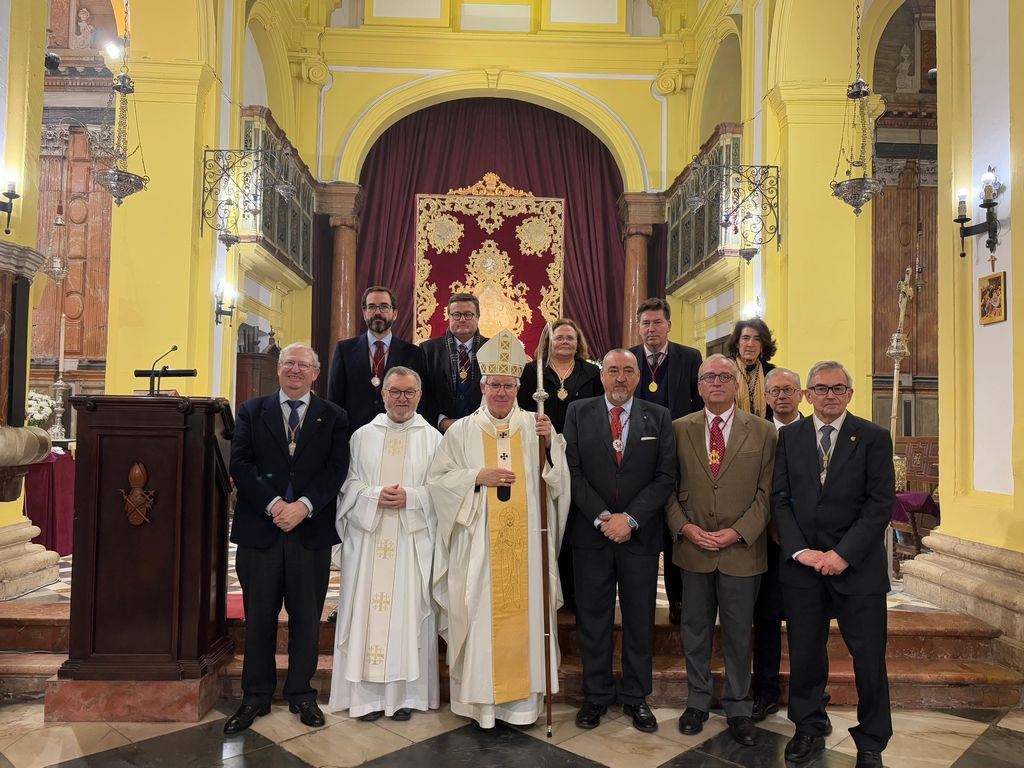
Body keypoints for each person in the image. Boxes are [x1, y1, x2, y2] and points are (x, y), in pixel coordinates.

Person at [426, 329, 569, 729]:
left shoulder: (537, 427)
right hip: (478, 551)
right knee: (479, 618)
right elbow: (438, 482)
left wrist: (551, 451)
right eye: (494, 385)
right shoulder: (461, 432)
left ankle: (522, 706)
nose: (501, 392)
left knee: (525, 620)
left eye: (508, 385)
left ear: (519, 386)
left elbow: (558, 486)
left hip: (526, 551)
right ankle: (481, 706)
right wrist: (476, 476)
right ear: (482, 386)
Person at [774, 361, 894, 768]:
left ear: (850, 394)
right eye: (821, 389)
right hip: (803, 566)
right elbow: (780, 499)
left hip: (858, 568)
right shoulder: (790, 437)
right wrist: (798, 550)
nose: (829, 395)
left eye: (838, 388)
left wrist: (844, 554)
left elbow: (880, 505)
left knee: (869, 657)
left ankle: (872, 740)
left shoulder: (874, 437)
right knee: (806, 654)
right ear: (807, 395)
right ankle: (807, 728)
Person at [225, 343, 349, 734]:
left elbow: (336, 469)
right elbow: (241, 464)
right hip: (261, 529)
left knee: (306, 618)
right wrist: (276, 503)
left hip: (309, 531)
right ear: (278, 370)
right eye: (289, 364)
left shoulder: (333, 416)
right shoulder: (250, 410)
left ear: (315, 373)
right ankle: (255, 696)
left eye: (304, 365)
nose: (296, 370)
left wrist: (304, 506)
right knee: (259, 616)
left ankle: (301, 693)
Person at [563, 349, 677, 733]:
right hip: (591, 535)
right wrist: (602, 518)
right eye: (613, 370)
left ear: (638, 377)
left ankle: (635, 696)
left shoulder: (658, 417)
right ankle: (595, 696)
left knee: (640, 619)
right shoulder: (578, 413)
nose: (620, 377)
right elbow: (572, 471)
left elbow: (665, 476)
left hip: (638, 535)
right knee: (592, 619)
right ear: (602, 375)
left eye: (628, 370)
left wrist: (629, 519)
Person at [665, 354, 775, 746]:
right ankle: (696, 702)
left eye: (724, 376)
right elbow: (667, 487)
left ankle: (739, 707)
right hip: (693, 549)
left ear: (736, 385)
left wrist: (737, 532)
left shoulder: (763, 432)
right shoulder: (677, 429)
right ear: (698, 385)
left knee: (739, 634)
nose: (716, 382)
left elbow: (766, 495)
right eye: (709, 377)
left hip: (742, 551)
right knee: (694, 630)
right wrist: (685, 527)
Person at [328, 367, 442, 722]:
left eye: (409, 392)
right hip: (369, 538)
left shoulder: (433, 439)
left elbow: (443, 490)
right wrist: (375, 495)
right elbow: (346, 484)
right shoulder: (363, 436)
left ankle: (404, 696)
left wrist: (412, 496)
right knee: (366, 615)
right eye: (395, 391)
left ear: (420, 395)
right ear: (383, 394)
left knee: (408, 617)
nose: (402, 399)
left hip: (412, 542)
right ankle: (365, 698)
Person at [518, 318, 602, 612]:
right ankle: (546, 588)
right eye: (559, 338)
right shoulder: (533, 372)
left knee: (575, 518)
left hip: (582, 452)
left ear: (578, 342)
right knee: (548, 516)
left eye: (570, 338)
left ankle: (575, 592)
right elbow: (522, 410)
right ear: (548, 342)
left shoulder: (592, 372)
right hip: (542, 451)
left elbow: (600, 411)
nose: (565, 342)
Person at [629, 298, 703, 626]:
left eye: (657, 323)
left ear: (669, 325)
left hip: (679, 452)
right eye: (645, 323)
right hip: (636, 454)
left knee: (676, 526)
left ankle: (679, 601)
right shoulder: (627, 358)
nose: (651, 329)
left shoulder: (689, 357)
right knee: (643, 522)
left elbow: (698, 403)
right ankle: (638, 600)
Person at [751, 367, 809, 721]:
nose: (782, 396)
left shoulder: (815, 432)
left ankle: (811, 688)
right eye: (775, 391)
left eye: (789, 390)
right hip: (766, 542)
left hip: (808, 543)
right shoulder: (756, 433)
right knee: (767, 618)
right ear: (766, 397)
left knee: (809, 620)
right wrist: (770, 523)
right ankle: (766, 690)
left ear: (801, 395)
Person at [327, 286, 428, 436]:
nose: (378, 312)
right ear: (364, 312)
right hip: (353, 436)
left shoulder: (413, 353)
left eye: (384, 307)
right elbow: (334, 400)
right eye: (372, 307)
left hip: (400, 434)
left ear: (395, 313)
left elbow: (420, 401)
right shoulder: (344, 350)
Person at [421, 293, 488, 433]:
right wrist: (441, 421)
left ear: (478, 317)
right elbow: (422, 394)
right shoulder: (427, 351)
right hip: (439, 433)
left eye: (468, 314)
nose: (462, 319)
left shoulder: (493, 348)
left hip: (483, 430)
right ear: (449, 317)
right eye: (456, 314)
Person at [726, 318, 777, 420]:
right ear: (737, 343)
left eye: (757, 339)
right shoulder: (725, 370)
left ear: (762, 345)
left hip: (764, 431)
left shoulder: (771, 373)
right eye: (745, 338)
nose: (751, 344)